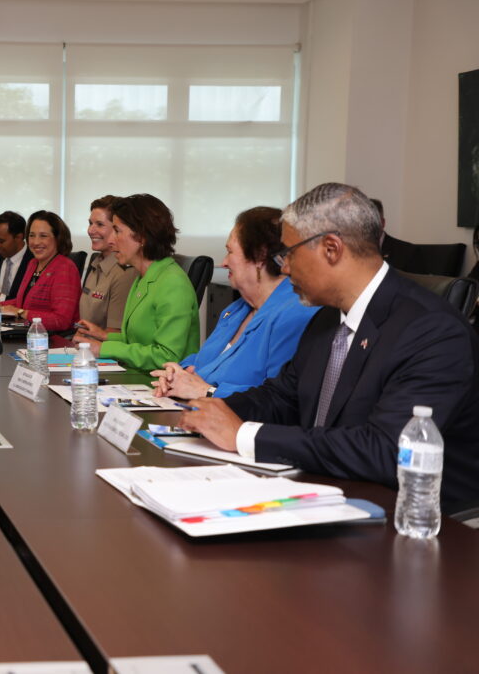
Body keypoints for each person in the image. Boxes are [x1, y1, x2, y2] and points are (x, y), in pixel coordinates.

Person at [179, 183, 479, 511]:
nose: (285, 268)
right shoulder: (325, 318)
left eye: (288, 254)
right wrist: (207, 411)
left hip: (420, 523)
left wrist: (243, 435)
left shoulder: (434, 331)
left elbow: (385, 450)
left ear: (331, 249)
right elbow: (282, 397)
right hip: (328, 492)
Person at [151, 207, 318, 399]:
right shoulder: (238, 309)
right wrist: (176, 373)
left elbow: (279, 400)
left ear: (259, 256)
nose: (223, 262)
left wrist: (207, 391)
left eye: (230, 252)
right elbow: (204, 359)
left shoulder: (295, 314)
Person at [75, 194, 199, 371]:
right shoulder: (143, 277)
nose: (111, 241)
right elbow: (137, 341)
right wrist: (103, 336)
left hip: (162, 387)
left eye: (117, 231)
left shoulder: (173, 283)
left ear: (141, 237)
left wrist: (103, 348)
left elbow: (166, 356)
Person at [0, 210, 80, 332]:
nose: (35, 242)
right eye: (32, 235)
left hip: (51, 340)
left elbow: (61, 321)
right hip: (28, 333)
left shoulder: (65, 268)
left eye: (43, 236)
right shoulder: (33, 264)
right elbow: (21, 301)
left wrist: (20, 312)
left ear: (58, 238)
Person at [78, 195, 137, 332]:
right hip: (85, 346)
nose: (90, 230)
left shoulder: (125, 272)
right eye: (90, 223)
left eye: (99, 224)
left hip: (103, 350)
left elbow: (115, 333)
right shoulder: (96, 264)